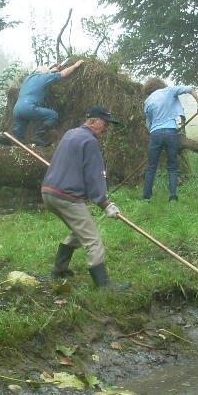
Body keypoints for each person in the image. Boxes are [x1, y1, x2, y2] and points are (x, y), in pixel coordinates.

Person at [41, 106, 127, 289]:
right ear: (93, 121)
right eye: (105, 124)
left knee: (80, 229)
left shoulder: (70, 134)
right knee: (93, 240)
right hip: (67, 197)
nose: (106, 129)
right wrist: (105, 203)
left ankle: (60, 269)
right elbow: (93, 175)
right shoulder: (89, 141)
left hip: (48, 193)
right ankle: (104, 285)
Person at [141, 78, 198, 201]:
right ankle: (173, 197)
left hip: (155, 133)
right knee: (172, 166)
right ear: (160, 84)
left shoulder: (148, 101)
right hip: (171, 132)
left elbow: (148, 123)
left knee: (151, 167)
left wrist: (156, 132)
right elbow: (190, 89)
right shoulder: (169, 91)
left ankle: (146, 197)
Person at [10, 59, 85, 145]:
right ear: (45, 73)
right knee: (52, 115)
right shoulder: (45, 77)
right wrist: (75, 65)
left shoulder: (28, 78)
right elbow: (64, 73)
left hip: (17, 109)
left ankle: (10, 141)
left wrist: (51, 71)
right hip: (28, 108)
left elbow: (43, 74)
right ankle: (37, 137)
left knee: (18, 137)